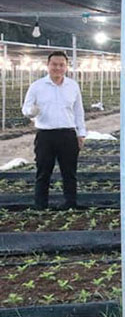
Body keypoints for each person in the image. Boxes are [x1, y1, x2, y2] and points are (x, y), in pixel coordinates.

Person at [21, 51, 86, 209]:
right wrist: (32, 111)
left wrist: (81, 133)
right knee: (43, 172)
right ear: (48, 65)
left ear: (66, 66)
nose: (58, 68)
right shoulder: (37, 86)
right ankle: (41, 205)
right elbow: (26, 108)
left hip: (67, 134)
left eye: (61, 65)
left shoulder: (72, 86)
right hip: (45, 135)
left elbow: (78, 111)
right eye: (54, 64)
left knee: (69, 172)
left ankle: (70, 204)